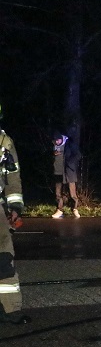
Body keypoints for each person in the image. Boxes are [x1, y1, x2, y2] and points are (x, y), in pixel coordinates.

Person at [0, 114, 28, 324]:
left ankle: (8, 309)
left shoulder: (4, 142)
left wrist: (15, 206)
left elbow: (12, 176)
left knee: (4, 257)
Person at [51, 131, 81, 218]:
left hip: (69, 172)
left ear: (61, 139)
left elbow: (78, 155)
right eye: (55, 140)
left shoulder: (69, 144)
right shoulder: (53, 146)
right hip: (58, 172)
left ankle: (75, 209)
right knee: (58, 193)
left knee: (72, 192)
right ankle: (59, 210)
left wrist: (70, 163)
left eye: (58, 140)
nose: (57, 142)